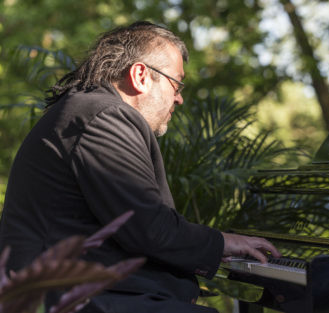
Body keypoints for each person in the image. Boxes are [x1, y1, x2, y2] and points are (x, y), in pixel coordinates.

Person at [0, 21, 280, 313]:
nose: (179, 98)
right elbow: (149, 228)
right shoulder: (105, 115)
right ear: (141, 75)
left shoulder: (89, 111)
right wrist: (222, 243)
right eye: (177, 84)